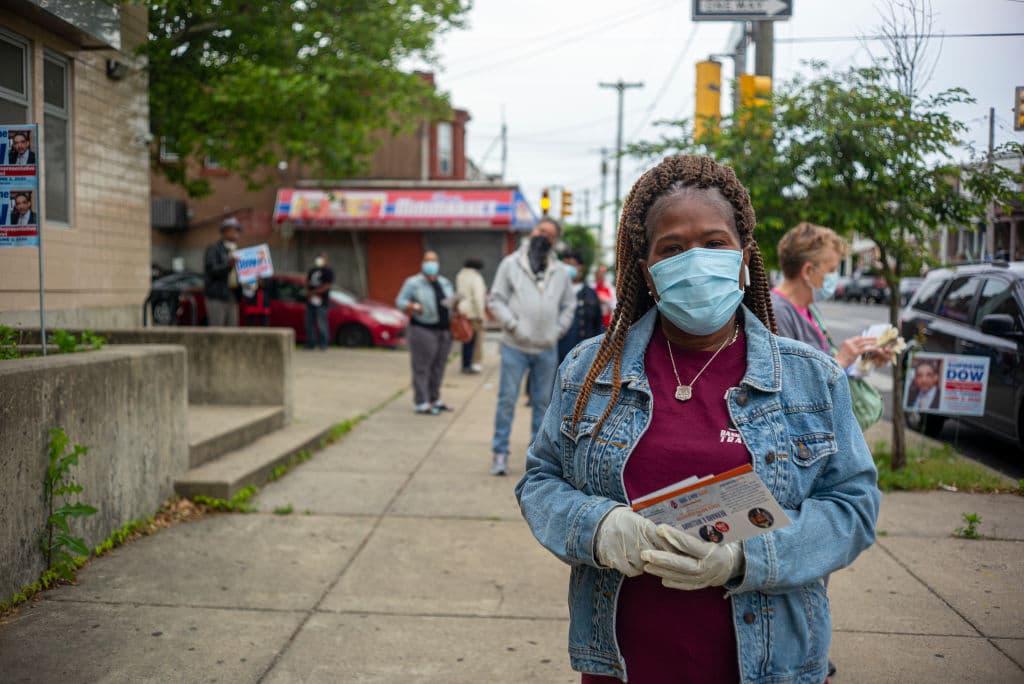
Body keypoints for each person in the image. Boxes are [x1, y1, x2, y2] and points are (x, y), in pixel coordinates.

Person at [515, 155, 880, 683]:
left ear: (743, 258)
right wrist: (600, 529)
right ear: (647, 270)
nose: (695, 260)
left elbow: (853, 507)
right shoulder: (590, 370)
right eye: (673, 249)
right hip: (623, 665)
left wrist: (744, 559)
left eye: (713, 244)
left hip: (768, 667)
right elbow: (540, 481)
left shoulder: (811, 379)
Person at [488, 217, 575, 476]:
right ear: (532, 232)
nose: (543, 237)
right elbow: (496, 299)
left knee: (543, 406)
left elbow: (569, 304)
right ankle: (500, 453)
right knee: (506, 401)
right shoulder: (511, 264)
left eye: (549, 234)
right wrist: (513, 325)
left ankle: (535, 459)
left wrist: (557, 330)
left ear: (555, 241)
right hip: (514, 346)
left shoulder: (560, 271)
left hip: (546, 348)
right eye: (540, 231)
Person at [770, 223, 891, 372]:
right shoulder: (776, 313)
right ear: (808, 271)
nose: (834, 277)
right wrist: (840, 361)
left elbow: (820, 365)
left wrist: (861, 358)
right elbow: (791, 383)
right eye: (831, 270)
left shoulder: (808, 307)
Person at [396, 251, 456, 415]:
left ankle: (434, 398)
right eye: (428, 261)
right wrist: (415, 307)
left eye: (434, 261)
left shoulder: (444, 282)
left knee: (439, 366)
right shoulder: (413, 283)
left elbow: (450, 300)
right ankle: (421, 401)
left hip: (444, 330)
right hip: (423, 329)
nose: (431, 265)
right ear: (422, 263)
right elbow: (400, 301)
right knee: (422, 367)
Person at [558, 249, 604, 363]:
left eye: (572, 265)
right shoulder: (554, 293)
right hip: (557, 357)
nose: (567, 269)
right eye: (565, 265)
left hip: (583, 357)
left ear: (581, 268)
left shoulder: (590, 294)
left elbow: (597, 325)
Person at [203, 217, 242, 327]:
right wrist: (228, 265)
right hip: (217, 296)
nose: (235, 233)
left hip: (233, 296)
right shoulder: (214, 249)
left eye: (237, 230)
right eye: (232, 230)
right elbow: (212, 270)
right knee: (217, 329)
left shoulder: (237, 251)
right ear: (224, 232)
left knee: (232, 330)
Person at [455, 257, 488, 374]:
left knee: (466, 340)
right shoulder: (476, 278)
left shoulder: (460, 276)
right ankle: (473, 365)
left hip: (463, 313)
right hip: (474, 314)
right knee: (476, 340)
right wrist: (482, 315)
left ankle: (465, 364)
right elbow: (478, 298)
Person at [305, 252, 334, 350]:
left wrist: (314, 292)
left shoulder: (328, 271)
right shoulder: (312, 270)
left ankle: (323, 344)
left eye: (322, 258)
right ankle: (310, 343)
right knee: (309, 323)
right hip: (310, 302)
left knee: (322, 323)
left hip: (322, 302)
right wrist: (308, 293)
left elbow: (327, 286)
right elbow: (307, 282)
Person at [593, 264, 616, 329]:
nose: (599, 278)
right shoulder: (592, 288)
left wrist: (605, 300)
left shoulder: (611, 289)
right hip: (594, 323)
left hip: (607, 324)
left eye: (601, 276)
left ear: (603, 276)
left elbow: (615, 305)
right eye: (597, 277)